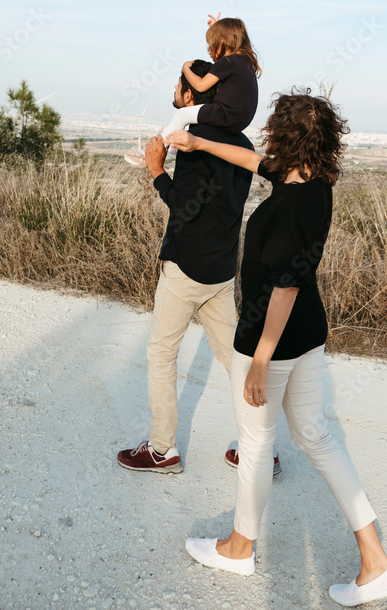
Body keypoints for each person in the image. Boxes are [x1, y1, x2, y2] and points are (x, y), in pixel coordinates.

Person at [167, 90, 387, 606]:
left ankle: (238, 547)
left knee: (255, 442)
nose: (266, 133)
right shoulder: (310, 182)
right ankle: (375, 560)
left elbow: (287, 285)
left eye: (274, 126)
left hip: (270, 339)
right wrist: (196, 140)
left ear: (287, 134)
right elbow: (252, 161)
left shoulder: (294, 203)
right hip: (308, 334)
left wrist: (260, 360)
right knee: (317, 437)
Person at [117, 60, 256, 474]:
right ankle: (258, 448)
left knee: (161, 353)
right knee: (236, 361)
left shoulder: (192, 140)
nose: (174, 96)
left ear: (191, 95)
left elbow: (185, 207)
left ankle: (163, 449)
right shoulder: (244, 144)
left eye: (177, 89)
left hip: (187, 266)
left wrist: (157, 170)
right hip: (223, 268)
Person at [124, 14, 260, 167]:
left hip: (226, 114)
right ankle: (175, 148)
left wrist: (185, 68)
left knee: (183, 114)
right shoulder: (244, 62)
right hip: (241, 120)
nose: (209, 49)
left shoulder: (229, 61)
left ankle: (154, 151)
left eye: (212, 44)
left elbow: (201, 85)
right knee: (194, 118)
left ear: (224, 42)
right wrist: (216, 29)